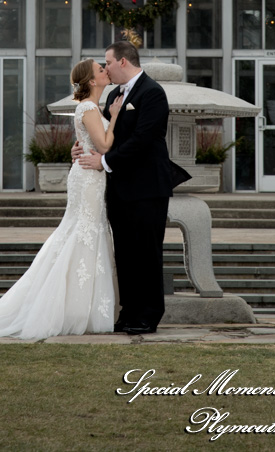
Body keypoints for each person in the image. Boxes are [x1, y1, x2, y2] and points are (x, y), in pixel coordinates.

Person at [0, 59, 122, 340]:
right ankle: (70, 308)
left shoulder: (91, 108)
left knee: (84, 232)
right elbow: (106, 144)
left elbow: (91, 143)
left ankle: (80, 306)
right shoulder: (88, 107)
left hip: (89, 175)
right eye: (100, 69)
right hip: (87, 179)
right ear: (92, 81)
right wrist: (117, 115)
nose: (105, 70)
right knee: (83, 233)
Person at [75, 40, 189, 335]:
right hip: (119, 190)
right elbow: (104, 138)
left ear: (122, 62)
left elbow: (143, 139)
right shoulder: (115, 94)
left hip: (148, 188)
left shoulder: (152, 93)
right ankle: (129, 312)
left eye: (108, 62)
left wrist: (105, 162)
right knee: (124, 254)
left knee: (146, 252)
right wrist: (81, 150)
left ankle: (148, 315)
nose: (106, 68)